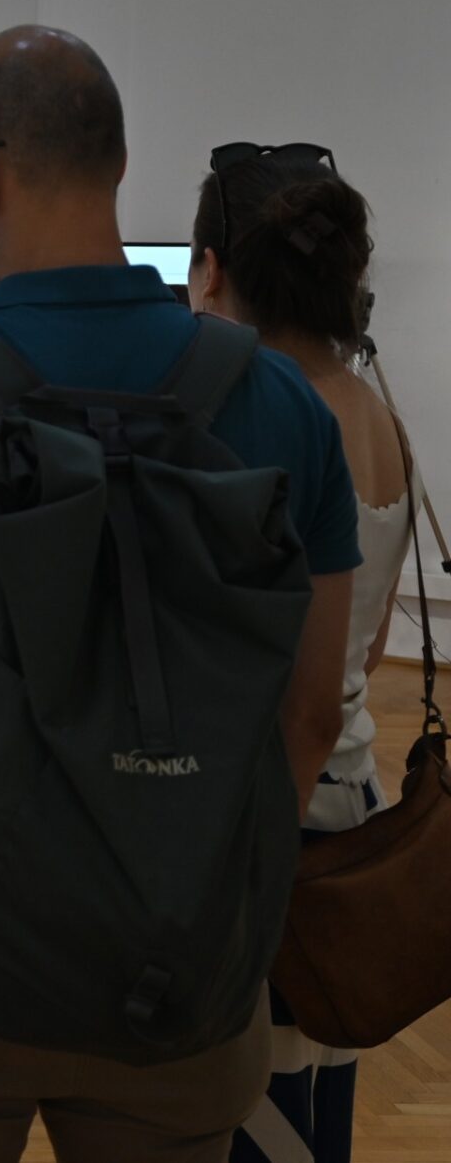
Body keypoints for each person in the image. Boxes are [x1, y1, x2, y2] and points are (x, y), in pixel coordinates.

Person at [0, 24, 360, 1162]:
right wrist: (208, 887)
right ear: (119, 164)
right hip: (177, 974)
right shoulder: (285, 404)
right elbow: (309, 713)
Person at [188, 146, 402, 1163]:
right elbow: (368, 639)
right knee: (319, 1097)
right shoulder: (378, 415)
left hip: (277, 810)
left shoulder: (268, 422)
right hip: (353, 801)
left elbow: (264, 676)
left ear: (218, 269)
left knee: (255, 1109)